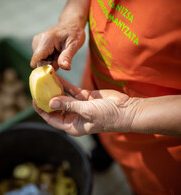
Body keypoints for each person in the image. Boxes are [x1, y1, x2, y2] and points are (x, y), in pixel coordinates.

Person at [30, 0, 181, 194]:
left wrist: (129, 113)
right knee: (101, 142)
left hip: (162, 142)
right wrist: (71, 19)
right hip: (97, 90)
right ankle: (104, 152)